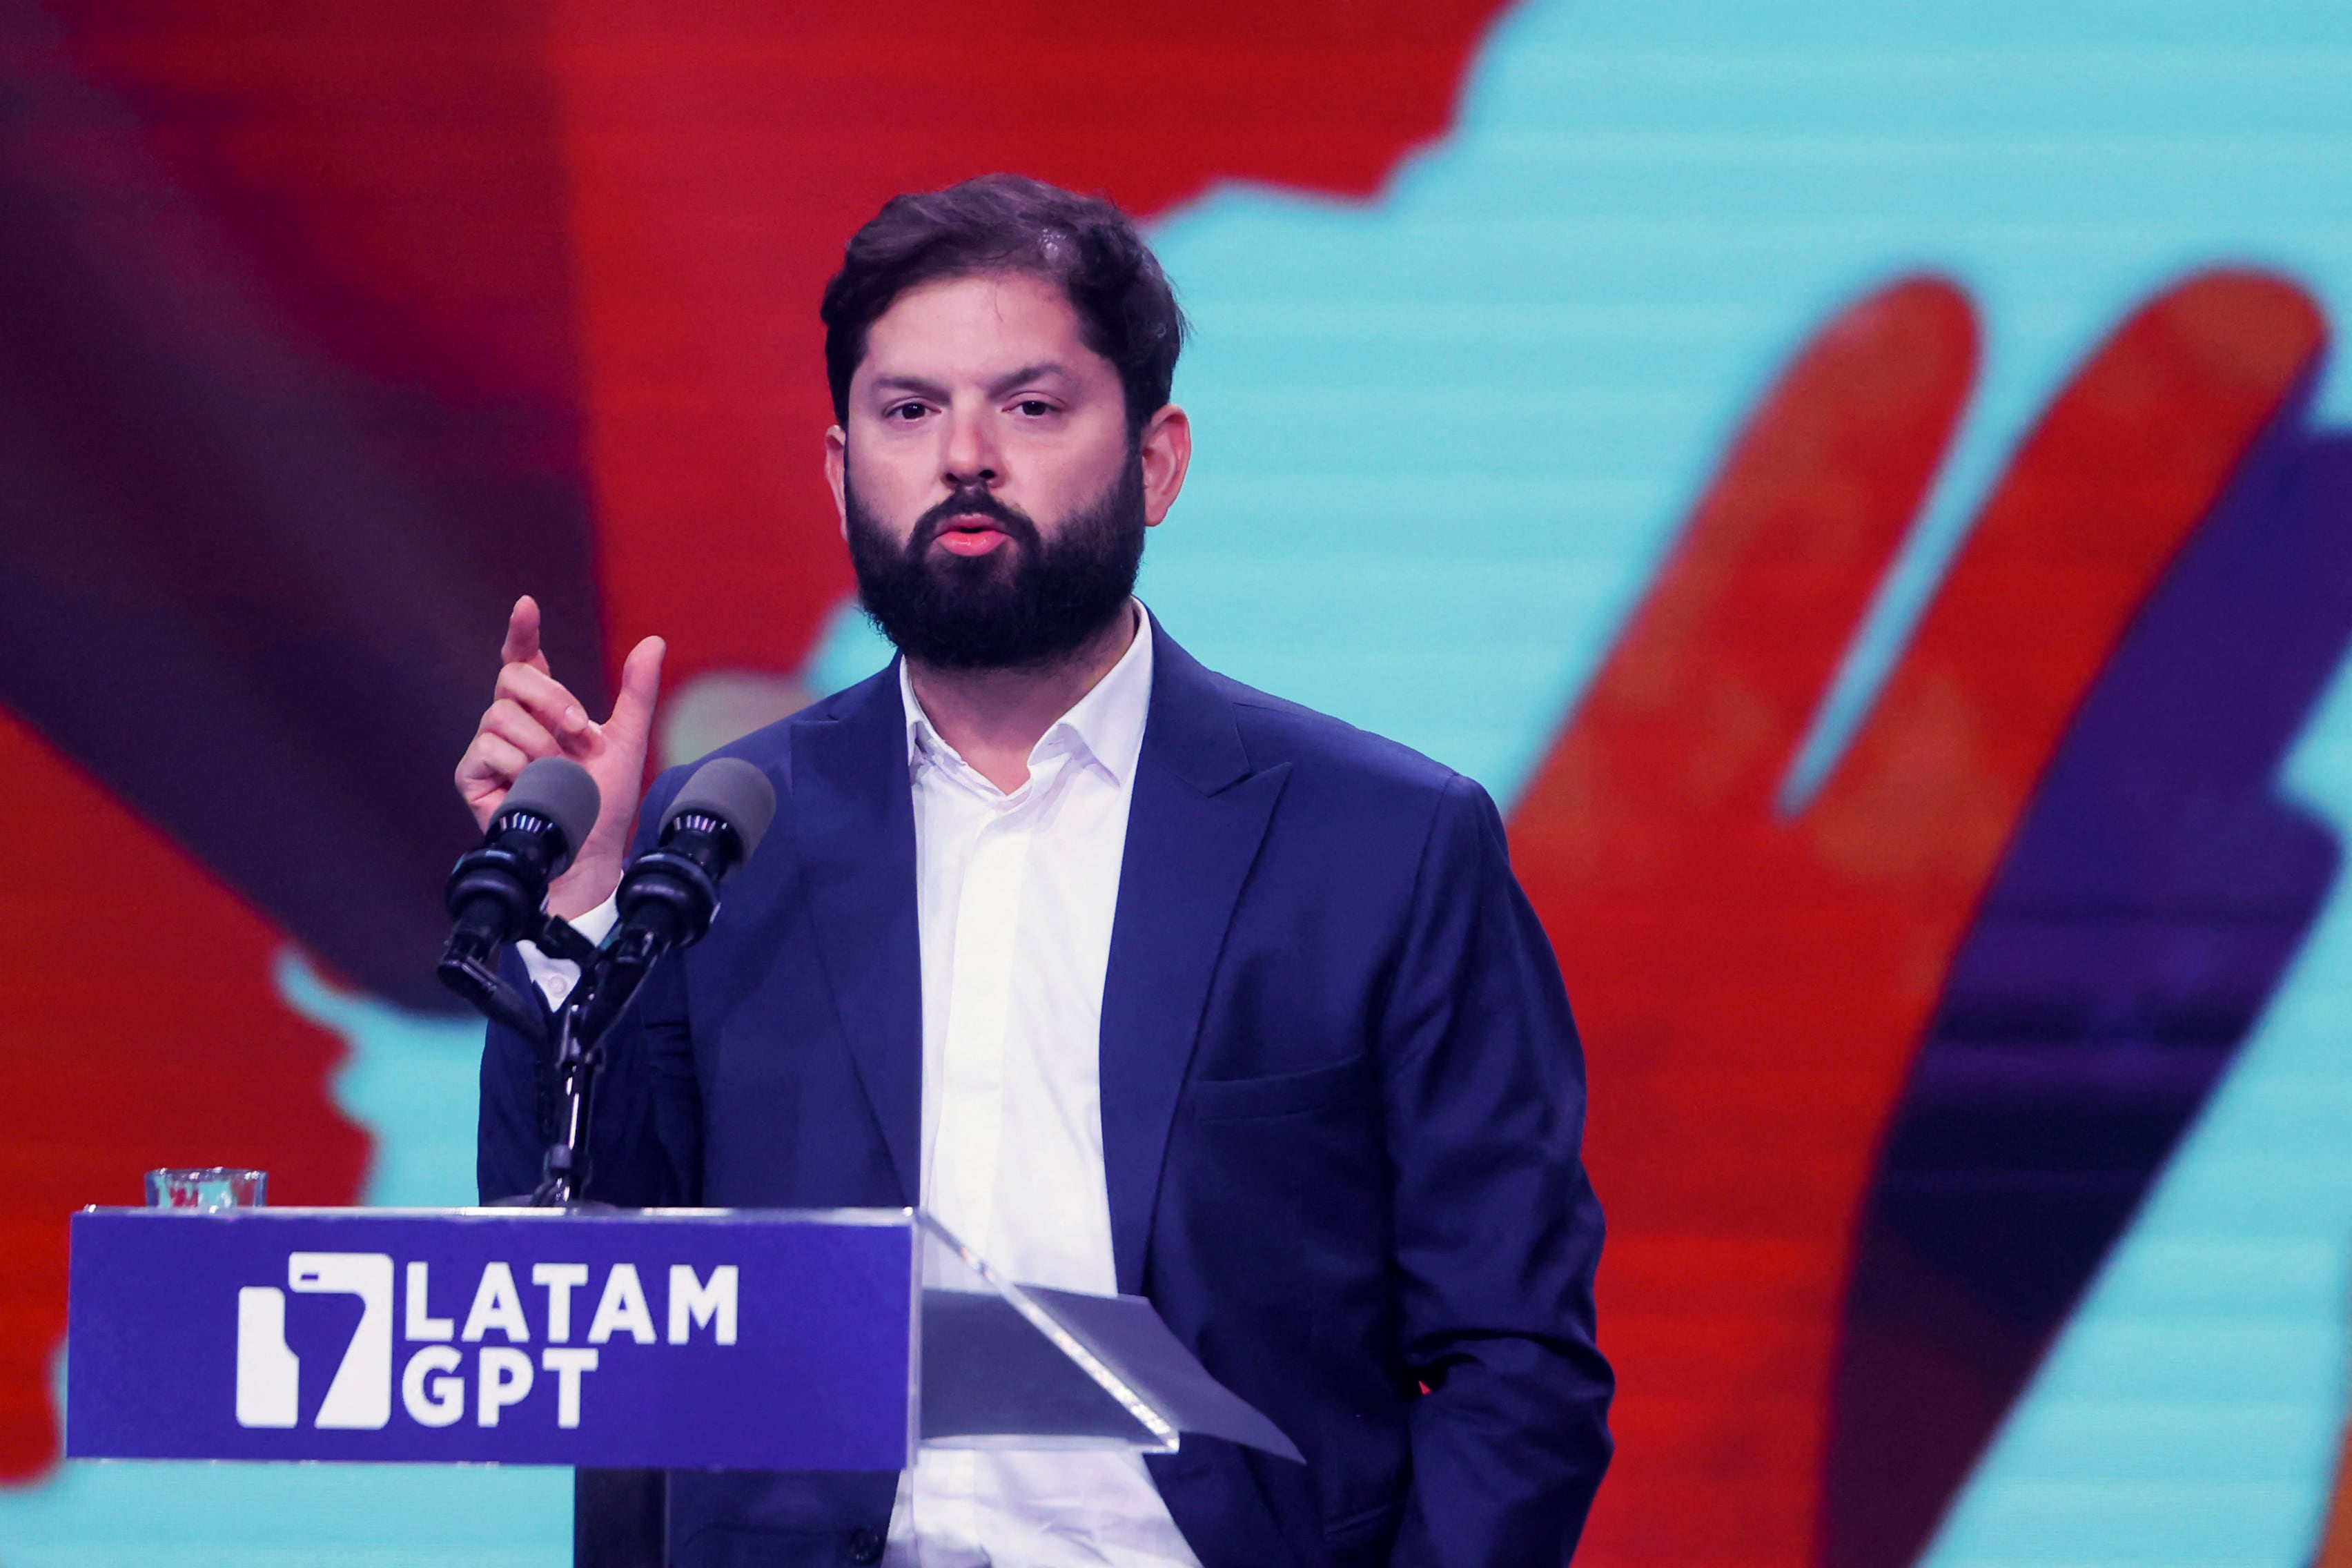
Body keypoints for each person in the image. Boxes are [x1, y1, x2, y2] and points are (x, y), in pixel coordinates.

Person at [460, 174, 1611, 1567]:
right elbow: (571, 1308)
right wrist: (576, 907)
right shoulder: (717, 840)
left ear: (1159, 460)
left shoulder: (1382, 843)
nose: (964, 457)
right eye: (908, 411)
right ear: (839, 476)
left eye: (1032, 405)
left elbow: (1518, 1358)